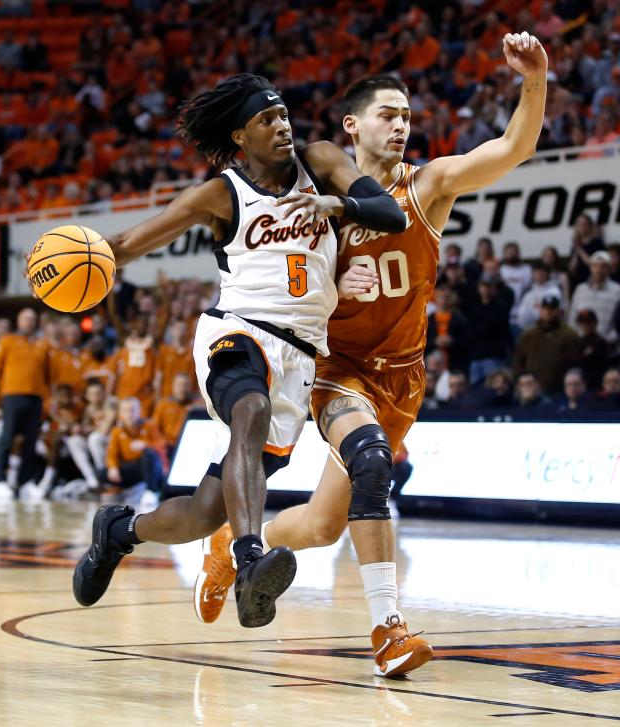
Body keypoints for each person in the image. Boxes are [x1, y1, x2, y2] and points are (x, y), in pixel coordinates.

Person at [215, 34, 547, 676]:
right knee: (370, 461)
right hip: (336, 371)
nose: (401, 125)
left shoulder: (430, 186)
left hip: (404, 378)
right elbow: (275, 290)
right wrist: (333, 286)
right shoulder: (315, 202)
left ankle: (235, 542)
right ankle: (387, 631)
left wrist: (534, 80)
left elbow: (513, 149)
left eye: (408, 116)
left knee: (318, 526)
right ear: (352, 125)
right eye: (387, 114)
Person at [66, 73, 406, 633]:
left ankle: (119, 532)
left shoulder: (319, 161)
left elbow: (388, 215)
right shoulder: (220, 194)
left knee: (203, 514)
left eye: (283, 116)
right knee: (248, 410)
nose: (282, 126)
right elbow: (128, 244)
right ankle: (250, 558)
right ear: (240, 137)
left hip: (300, 356)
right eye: (266, 121)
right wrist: (65, 262)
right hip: (236, 331)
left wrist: (336, 203)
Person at [0, 308, 50, 501]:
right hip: (12, 395)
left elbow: (48, 376)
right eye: (26, 319)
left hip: (36, 397)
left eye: (32, 319)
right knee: (7, 438)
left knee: (30, 441)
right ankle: (0, 480)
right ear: (18, 320)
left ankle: (25, 482)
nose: (29, 322)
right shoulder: (7, 340)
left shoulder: (42, 344)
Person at [104, 397, 168, 504]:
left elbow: (163, 445)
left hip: (151, 468)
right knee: (103, 473)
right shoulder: (116, 431)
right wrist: (112, 467)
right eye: (125, 410)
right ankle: (124, 489)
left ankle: (151, 490)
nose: (129, 414)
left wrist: (146, 444)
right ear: (120, 413)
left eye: (132, 410)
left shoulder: (149, 425)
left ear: (139, 411)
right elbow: (111, 454)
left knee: (148, 454)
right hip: (133, 468)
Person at [513, 294, 579, 394]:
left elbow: (574, 364)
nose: (548, 312)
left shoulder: (569, 335)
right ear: (540, 310)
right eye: (545, 308)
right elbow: (518, 362)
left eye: (552, 308)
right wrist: (520, 382)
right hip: (532, 388)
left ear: (558, 311)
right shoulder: (528, 335)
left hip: (559, 389)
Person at [567, 250, 620, 346]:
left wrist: (608, 341)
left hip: (608, 347)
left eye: (603, 266)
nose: (599, 269)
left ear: (609, 268)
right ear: (590, 268)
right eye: (595, 266)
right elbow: (572, 318)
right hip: (581, 346)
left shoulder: (618, 291)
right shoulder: (580, 289)